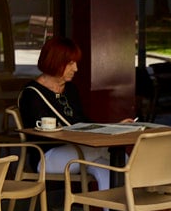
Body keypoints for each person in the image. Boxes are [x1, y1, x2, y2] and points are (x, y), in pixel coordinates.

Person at [16, 36, 119, 194]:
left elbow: (82, 121)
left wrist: (115, 128)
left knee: (108, 168)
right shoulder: (32, 94)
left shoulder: (70, 89)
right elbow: (43, 133)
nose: (75, 69)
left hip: (78, 151)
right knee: (113, 152)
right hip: (48, 157)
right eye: (70, 63)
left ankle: (116, 210)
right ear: (55, 61)